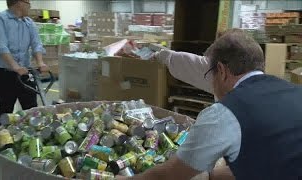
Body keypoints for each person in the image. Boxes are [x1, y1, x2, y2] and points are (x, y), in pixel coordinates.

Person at [116, 29, 302, 180]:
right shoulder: (295, 92)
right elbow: (271, 160)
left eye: (209, 74)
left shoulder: (226, 113)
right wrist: (212, 175)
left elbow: (170, 175)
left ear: (221, 70)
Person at [0, 0, 49, 128]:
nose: (30, 6)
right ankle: (4, 142)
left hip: (25, 72)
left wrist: (40, 62)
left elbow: (36, 43)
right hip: (3, 73)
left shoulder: (29, 22)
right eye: (28, 3)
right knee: (6, 109)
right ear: (20, 3)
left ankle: (31, 137)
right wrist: (15, 66)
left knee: (31, 108)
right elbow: (0, 46)